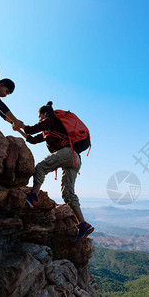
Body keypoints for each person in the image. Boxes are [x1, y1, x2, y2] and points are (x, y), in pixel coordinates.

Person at [23, 101, 94, 243]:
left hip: (67, 153)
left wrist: (22, 126)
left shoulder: (50, 120)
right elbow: (33, 139)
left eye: (39, 116)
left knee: (41, 167)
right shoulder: (50, 129)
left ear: (44, 114)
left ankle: (33, 197)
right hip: (75, 159)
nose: (39, 119)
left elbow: (31, 129)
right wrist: (22, 132)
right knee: (68, 193)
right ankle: (83, 224)